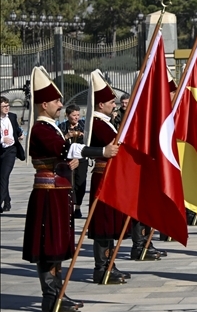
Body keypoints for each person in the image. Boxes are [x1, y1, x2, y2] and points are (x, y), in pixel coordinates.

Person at [23, 67, 119, 312]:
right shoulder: (40, 128)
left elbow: (61, 155)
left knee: (56, 243)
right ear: (44, 104)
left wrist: (68, 163)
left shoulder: (50, 127)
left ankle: (58, 294)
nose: (60, 105)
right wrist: (101, 152)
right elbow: (64, 149)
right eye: (56, 101)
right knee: (48, 244)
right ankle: (51, 297)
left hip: (58, 193)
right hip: (48, 194)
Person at [86, 73, 132, 284]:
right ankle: (102, 267)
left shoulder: (106, 121)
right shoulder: (98, 123)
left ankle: (109, 264)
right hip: (103, 176)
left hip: (111, 175)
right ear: (101, 104)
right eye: (111, 102)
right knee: (103, 222)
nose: (115, 105)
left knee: (110, 222)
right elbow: (115, 144)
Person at [59, 105, 88, 219]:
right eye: (74, 115)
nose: (76, 117)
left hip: (81, 158)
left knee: (80, 182)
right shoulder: (62, 126)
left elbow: (89, 138)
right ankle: (70, 206)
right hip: (68, 158)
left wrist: (83, 135)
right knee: (70, 182)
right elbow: (58, 141)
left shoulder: (83, 125)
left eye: (78, 115)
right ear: (67, 115)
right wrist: (67, 136)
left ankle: (78, 207)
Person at [1, 94, 26, 213]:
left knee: (4, 176)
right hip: (0, 149)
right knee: (1, 178)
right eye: (4, 106)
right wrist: (2, 139)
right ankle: (7, 201)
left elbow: (16, 129)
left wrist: (20, 134)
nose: (7, 108)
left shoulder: (12, 116)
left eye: (8, 105)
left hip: (10, 150)